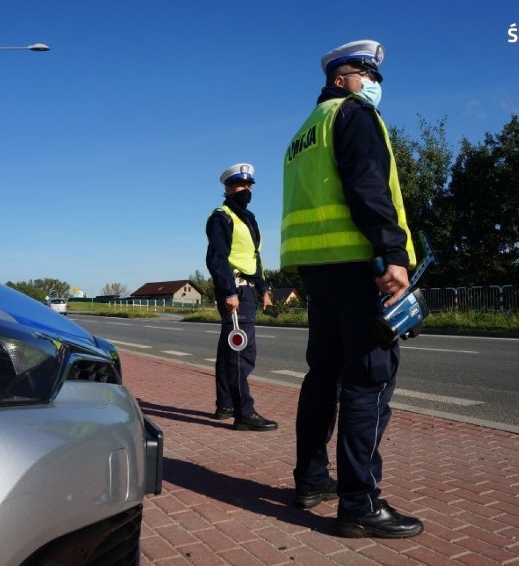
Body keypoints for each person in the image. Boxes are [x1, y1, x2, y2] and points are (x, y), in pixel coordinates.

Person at [281, 40, 424, 538]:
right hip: (360, 265)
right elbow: (369, 186)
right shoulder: (354, 114)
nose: (374, 83)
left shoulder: (302, 132)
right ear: (342, 77)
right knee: (370, 379)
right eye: (367, 73)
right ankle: (359, 503)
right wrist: (393, 254)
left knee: (323, 375)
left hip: (317, 270)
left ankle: (311, 481)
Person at [205, 163, 278, 432]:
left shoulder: (248, 219)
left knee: (228, 350)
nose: (246, 189)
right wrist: (228, 291)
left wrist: (264, 291)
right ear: (227, 188)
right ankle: (243, 413)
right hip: (235, 290)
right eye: (240, 184)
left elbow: (253, 259)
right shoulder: (221, 217)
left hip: (247, 289)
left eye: (249, 185)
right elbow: (217, 258)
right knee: (242, 352)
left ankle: (225, 405)